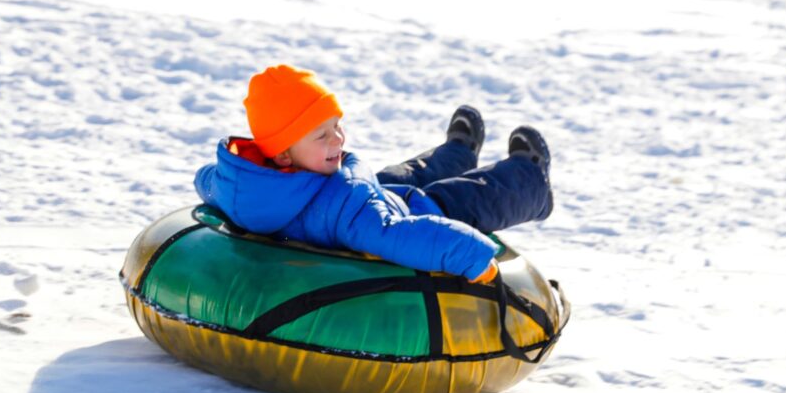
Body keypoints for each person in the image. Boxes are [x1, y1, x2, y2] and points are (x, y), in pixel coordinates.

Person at [194, 64, 553, 283]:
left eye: (337, 125)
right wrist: (471, 256)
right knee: (464, 195)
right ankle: (532, 182)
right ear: (284, 153)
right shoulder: (349, 212)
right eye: (323, 135)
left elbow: (207, 180)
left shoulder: (241, 185)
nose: (338, 138)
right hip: (406, 210)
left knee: (402, 174)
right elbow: (395, 234)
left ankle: (458, 152)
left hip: (360, 190)